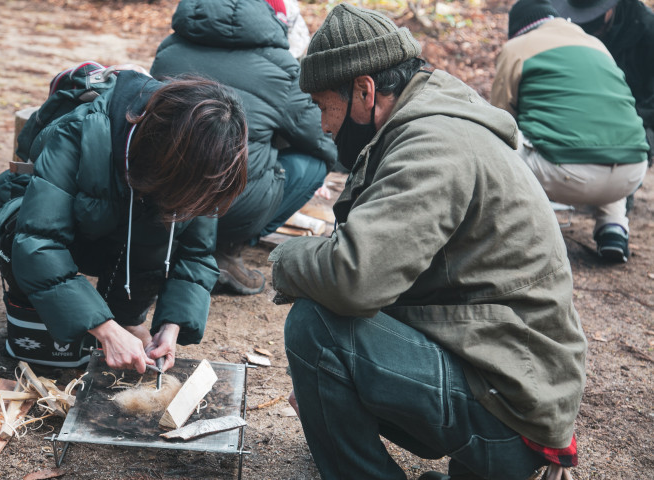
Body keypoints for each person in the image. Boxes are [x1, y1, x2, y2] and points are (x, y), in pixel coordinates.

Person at [268, 3, 587, 479]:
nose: (323, 125)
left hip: (510, 403)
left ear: (364, 89)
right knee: (332, 340)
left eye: (321, 105)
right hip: (508, 380)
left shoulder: (432, 146)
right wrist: (327, 379)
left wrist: (284, 259)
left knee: (317, 327)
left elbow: (354, 279)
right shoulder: (432, 124)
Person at [0, 67, 248, 373]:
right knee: (49, 358)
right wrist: (106, 328)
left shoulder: (207, 164)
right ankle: (68, 318)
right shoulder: (81, 130)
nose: (193, 203)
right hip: (26, 217)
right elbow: (37, 241)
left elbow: (196, 251)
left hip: (108, 225)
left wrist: (170, 325)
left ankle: (122, 318)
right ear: (163, 162)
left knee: (158, 223)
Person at [150, 0, 336, 295]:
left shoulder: (170, 47)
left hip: (164, 200)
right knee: (313, 163)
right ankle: (225, 250)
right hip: (229, 208)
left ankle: (170, 246)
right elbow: (321, 135)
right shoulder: (281, 65)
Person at [491, 0, 648, 263]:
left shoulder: (516, 48)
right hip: (632, 171)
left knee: (494, 145)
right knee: (605, 140)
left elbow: (500, 119)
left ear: (517, 28)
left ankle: (514, 233)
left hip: (566, 175)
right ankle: (613, 227)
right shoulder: (596, 45)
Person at [551, 0, 654, 163]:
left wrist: (629, 123)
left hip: (638, 119)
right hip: (588, 114)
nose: (590, 25)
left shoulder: (646, 28)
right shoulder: (573, 28)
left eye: (594, 17)